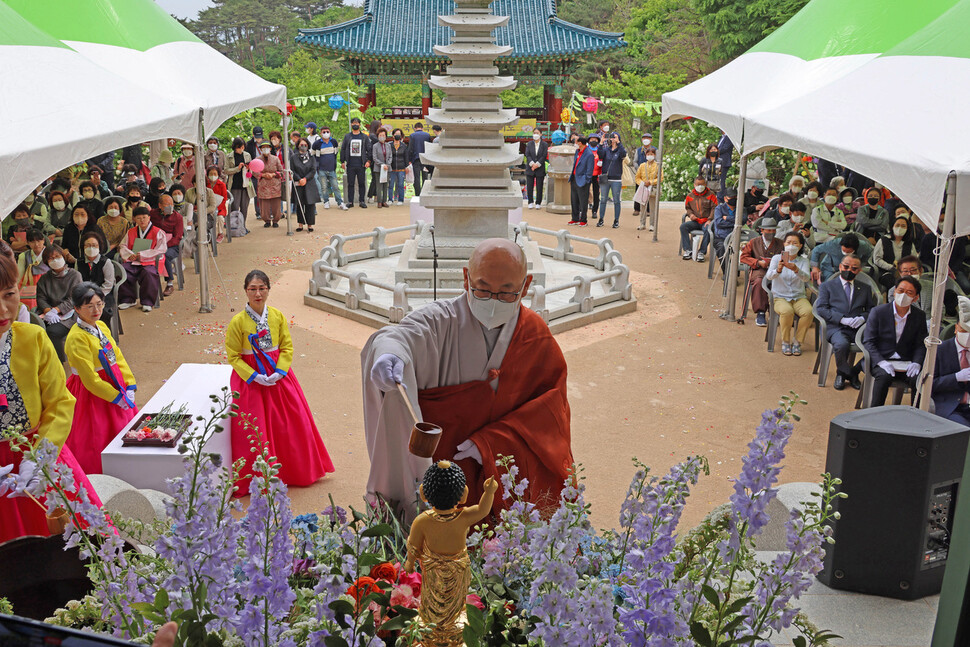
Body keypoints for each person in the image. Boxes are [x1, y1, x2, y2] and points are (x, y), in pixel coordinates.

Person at [362, 238, 572, 520]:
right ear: (465, 278)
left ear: (526, 285)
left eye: (507, 293)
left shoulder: (535, 334)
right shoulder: (440, 322)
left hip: (500, 478)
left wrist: (491, 444)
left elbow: (550, 413)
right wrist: (390, 354)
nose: (493, 302)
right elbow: (397, 336)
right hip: (442, 473)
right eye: (483, 290)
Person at [0, 252, 104, 544]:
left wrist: (41, 457)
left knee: (80, 548)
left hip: (42, 454)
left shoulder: (32, 338)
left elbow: (59, 402)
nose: (3, 310)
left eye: (9, 294)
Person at [225, 269, 334, 491]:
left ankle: (294, 471)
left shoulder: (276, 316)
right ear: (245, 291)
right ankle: (258, 479)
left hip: (277, 374)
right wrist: (254, 376)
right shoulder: (237, 322)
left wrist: (280, 371)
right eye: (252, 289)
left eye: (262, 288)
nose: (257, 294)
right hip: (251, 378)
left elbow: (286, 346)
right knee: (254, 427)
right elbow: (234, 356)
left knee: (292, 421)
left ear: (268, 290)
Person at [404, 461, 497, 645]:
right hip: (457, 570)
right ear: (463, 494)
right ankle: (451, 628)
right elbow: (482, 509)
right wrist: (489, 492)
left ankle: (433, 628)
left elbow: (413, 546)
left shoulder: (422, 521)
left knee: (432, 604)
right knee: (454, 605)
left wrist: (409, 563)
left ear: (423, 492)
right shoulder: (463, 517)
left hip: (433, 571)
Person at [64, 282, 137, 474]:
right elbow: (89, 378)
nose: (96, 310)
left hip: (114, 382)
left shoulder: (102, 326)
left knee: (123, 427)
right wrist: (116, 396)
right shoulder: (76, 338)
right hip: (92, 392)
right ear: (77, 309)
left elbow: (117, 356)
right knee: (96, 436)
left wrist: (129, 385)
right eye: (89, 306)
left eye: (99, 304)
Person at [861, 276, 927, 407]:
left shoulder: (919, 315)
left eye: (909, 293)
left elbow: (921, 344)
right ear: (894, 291)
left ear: (916, 298)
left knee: (919, 380)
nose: (903, 295)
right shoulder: (878, 312)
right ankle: (873, 415)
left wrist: (917, 363)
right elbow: (869, 341)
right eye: (901, 290)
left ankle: (916, 417)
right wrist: (881, 361)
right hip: (881, 360)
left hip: (906, 362)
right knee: (883, 377)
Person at [815, 254, 877, 391]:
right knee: (841, 344)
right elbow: (821, 309)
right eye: (846, 266)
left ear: (859, 270)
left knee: (877, 344)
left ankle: (853, 371)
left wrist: (862, 318)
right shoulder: (827, 286)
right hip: (836, 327)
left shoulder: (865, 288)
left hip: (858, 328)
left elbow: (872, 309)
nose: (850, 270)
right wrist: (842, 319)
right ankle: (844, 374)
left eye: (854, 268)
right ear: (840, 267)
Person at [765, 232, 813, 356]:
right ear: (784, 244)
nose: (791, 245)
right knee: (787, 311)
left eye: (795, 243)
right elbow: (769, 277)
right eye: (788, 242)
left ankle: (797, 341)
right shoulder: (776, 258)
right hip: (780, 297)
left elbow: (806, 279)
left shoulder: (804, 261)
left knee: (808, 311)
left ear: (800, 245)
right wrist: (778, 270)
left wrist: (796, 270)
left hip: (798, 297)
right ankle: (785, 341)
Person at [35, 245, 82, 362]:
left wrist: (56, 310)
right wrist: (48, 311)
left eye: (57, 256)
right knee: (35, 329)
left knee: (52, 331)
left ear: (63, 257)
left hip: (71, 314)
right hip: (49, 313)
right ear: (46, 262)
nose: (55, 260)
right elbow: (40, 298)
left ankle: (58, 363)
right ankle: (41, 362)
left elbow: (74, 299)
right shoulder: (44, 279)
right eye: (51, 258)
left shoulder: (75, 275)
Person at [118, 207, 166, 312]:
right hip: (133, 261)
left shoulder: (158, 232)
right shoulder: (131, 232)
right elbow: (123, 246)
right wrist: (130, 254)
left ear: (149, 217)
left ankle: (147, 302)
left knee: (149, 273)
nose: (142, 220)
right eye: (139, 218)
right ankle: (128, 299)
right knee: (122, 270)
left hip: (150, 262)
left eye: (144, 217)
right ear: (134, 219)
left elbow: (161, 249)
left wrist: (143, 255)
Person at [932, 296, 970, 425]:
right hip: (950, 406)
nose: (968, 336)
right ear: (955, 329)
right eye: (963, 330)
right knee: (962, 429)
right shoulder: (939, 350)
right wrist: (956, 377)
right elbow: (928, 384)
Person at [741, 218, 784, 327]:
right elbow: (744, 257)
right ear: (762, 230)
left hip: (776, 270)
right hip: (758, 270)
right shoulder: (753, 242)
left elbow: (785, 257)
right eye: (768, 230)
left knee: (782, 282)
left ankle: (776, 311)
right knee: (760, 282)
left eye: (773, 230)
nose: (771, 233)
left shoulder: (780, 243)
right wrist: (757, 262)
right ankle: (760, 312)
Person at [77, 230, 116, 322]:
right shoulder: (79, 262)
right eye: (88, 245)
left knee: (101, 312)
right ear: (83, 247)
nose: (91, 248)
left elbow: (108, 285)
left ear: (99, 247)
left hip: (103, 295)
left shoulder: (106, 262)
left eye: (94, 245)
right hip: (84, 295)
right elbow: (78, 281)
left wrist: (95, 296)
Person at [149, 194, 183, 297]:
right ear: (160, 205)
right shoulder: (153, 214)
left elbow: (177, 237)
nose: (170, 207)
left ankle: (169, 283)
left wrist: (164, 245)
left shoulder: (177, 217)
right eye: (167, 204)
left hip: (171, 246)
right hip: (154, 243)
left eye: (171, 204)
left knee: (165, 255)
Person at [872, 216, 916, 290]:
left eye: (903, 226)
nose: (900, 228)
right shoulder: (884, 240)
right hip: (887, 272)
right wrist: (891, 267)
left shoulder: (909, 244)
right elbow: (877, 259)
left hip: (905, 273)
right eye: (897, 225)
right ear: (892, 227)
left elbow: (914, 260)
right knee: (895, 283)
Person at [680, 176, 717, 261]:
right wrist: (691, 215)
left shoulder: (711, 195)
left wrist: (710, 219)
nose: (700, 186)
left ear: (705, 184)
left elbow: (714, 208)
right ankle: (688, 250)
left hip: (706, 221)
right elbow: (688, 208)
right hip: (695, 221)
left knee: (709, 230)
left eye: (702, 184)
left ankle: (701, 252)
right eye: (698, 184)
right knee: (683, 227)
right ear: (694, 185)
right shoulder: (690, 196)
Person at [312, 126, 347, 211]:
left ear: (330, 132)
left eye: (327, 131)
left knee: (335, 186)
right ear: (321, 133)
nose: (326, 133)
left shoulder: (334, 142)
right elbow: (313, 155)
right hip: (321, 169)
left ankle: (340, 202)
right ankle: (326, 201)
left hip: (332, 169)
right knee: (324, 187)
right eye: (324, 132)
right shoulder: (317, 144)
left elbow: (335, 154)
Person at [341, 117, 372, 209]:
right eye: (353, 123)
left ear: (359, 124)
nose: (355, 124)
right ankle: (350, 201)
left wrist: (368, 161)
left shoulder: (364, 137)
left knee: (361, 183)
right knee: (350, 183)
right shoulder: (347, 136)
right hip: (350, 164)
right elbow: (343, 149)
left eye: (357, 123)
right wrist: (342, 161)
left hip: (361, 164)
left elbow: (369, 149)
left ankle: (362, 201)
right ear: (351, 124)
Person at [290, 138, 320, 233]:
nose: (303, 146)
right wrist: (299, 179)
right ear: (298, 145)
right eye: (301, 144)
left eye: (305, 144)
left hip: (309, 182)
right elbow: (292, 170)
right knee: (300, 204)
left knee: (310, 204)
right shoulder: (293, 157)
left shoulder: (311, 157)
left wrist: (305, 179)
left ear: (308, 145)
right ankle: (300, 224)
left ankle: (310, 225)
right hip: (298, 183)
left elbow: (313, 170)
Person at [597, 132, 626, 228]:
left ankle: (616, 220)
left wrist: (619, 143)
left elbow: (623, 155)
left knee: (617, 200)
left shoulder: (620, 150)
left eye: (615, 137)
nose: (613, 139)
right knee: (603, 199)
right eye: (612, 137)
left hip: (616, 179)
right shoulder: (606, 150)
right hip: (605, 178)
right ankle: (601, 219)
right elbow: (600, 155)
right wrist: (601, 143)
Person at [225, 137, 254, 231]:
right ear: (235, 147)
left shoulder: (247, 155)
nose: (241, 148)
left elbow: (252, 170)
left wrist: (249, 168)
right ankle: (234, 226)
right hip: (234, 185)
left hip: (246, 184)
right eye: (239, 147)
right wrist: (237, 168)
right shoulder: (229, 156)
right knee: (234, 207)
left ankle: (243, 226)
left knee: (244, 207)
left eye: (242, 146)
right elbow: (226, 170)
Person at [16, 229, 49, 311]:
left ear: (43, 240)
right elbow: (19, 275)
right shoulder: (23, 256)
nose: (36, 244)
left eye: (39, 241)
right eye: (32, 241)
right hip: (28, 285)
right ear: (27, 242)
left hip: (47, 284)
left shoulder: (50, 253)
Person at [255, 141, 284, 228]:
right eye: (263, 148)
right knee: (265, 206)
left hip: (275, 184)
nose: (265, 149)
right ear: (260, 149)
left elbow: (281, 171)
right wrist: (263, 175)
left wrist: (274, 174)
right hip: (263, 185)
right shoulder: (258, 160)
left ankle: (276, 220)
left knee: (276, 205)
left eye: (267, 147)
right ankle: (266, 220)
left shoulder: (275, 159)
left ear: (271, 148)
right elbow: (254, 171)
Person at [568, 136, 594, 227]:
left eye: (576, 141)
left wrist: (586, 180)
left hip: (583, 180)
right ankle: (574, 218)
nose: (575, 143)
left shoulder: (589, 154)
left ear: (580, 143)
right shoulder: (577, 152)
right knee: (574, 199)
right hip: (574, 178)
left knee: (583, 201)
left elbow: (590, 169)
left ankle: (583, 219)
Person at [711, 188, 738, 272]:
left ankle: (736, 271)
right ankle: (727, 273)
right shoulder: (719, 208)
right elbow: (719, 223)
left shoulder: (740, 208)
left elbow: (743, 220)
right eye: (731, 197)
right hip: (721, 237)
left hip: (736, 237)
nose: (734, 199)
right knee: (722, 248)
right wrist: (735, 223)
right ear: (725, 198)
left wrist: (728, 218)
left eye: (735, 197)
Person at [633, 149, 659, 230]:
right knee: (642, 206)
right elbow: (637, 177)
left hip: (652, 188)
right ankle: (642, 223)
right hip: (643, 187)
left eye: (651, 154)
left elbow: (660, 178)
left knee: (652, 207)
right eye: (648, 154)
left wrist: (651, 182)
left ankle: (652, 224)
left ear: (654, 155)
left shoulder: (658, 166)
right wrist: (642, 183)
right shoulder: (642, 165)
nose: (650, 155)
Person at [524, 128, 548, 209]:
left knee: (539, 186)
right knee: (530, 186)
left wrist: (537, 165)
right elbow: (527, 155)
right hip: (530, 168)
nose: (535, 134)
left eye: (537, 133)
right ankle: (530, 202)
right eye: (534, 133)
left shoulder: (544, 144)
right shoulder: (529, 144)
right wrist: (532, 164)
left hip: (540, 168)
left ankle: (538, 202)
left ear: (541, 134)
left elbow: (544, 156)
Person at [388, 128, 411, 206]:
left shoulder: (404, 146)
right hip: (392, 168)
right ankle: (390, 199)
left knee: (401, 184)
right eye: (396, 134)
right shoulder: (389, 145)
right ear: (393, 135)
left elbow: (406, 157)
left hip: (401, 168)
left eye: (399, 134)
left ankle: (400, 199)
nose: (397, 135)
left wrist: (407, 166)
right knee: (391, 184)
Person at [409, 122, 432, 196]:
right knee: (425, 177)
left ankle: (418, 194)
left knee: (417, 177)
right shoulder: (427, 135)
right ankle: (424, 193)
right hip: (425, 159)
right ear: (422, 128)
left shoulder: (412, 135)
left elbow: (410, 149)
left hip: (416, 159)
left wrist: (409, 159)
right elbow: (429, 147)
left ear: (415, 128)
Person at [371, 127, 391, 209]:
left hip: (387, 168)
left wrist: (387, 165)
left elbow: (390, 156)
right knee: (379, 185)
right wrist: (382, 165)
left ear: (386, 136)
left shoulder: (388, 145)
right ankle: (379, 201)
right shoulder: (375, 146)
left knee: (386, 185)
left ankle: (384, 201)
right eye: (380, 135)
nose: (382, 136)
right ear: (378, 136)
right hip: (378, 168)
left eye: (383, 135)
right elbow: (374, 157)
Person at [586, 134, 602, 218]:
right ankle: (582, 210)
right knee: (585, 193)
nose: (593, 141)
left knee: (596, 194)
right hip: (587, 174)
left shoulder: (600, 150)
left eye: (595, 140)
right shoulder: (586, 150)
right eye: (592, 139)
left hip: (597, 175)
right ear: (589, 140)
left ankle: (595, 211)